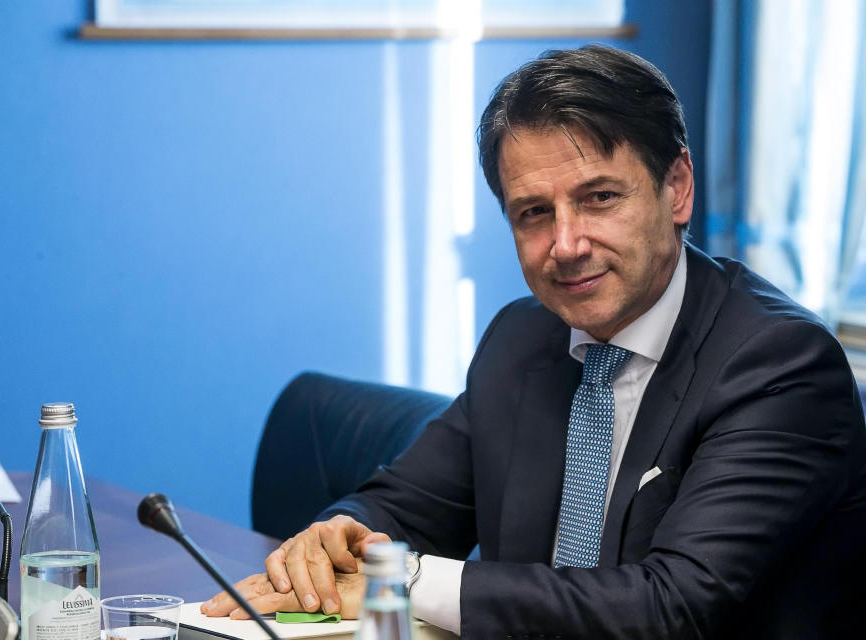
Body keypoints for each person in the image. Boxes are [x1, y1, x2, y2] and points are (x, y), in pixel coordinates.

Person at [202, 45, 866, 638]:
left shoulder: (778, 365)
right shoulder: (522, 337)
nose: (567, 244)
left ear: (677, 188)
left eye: (600, 197)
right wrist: (336, 536)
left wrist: (396, 580)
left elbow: (673, 606)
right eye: (534, 213)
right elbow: (405, 504)